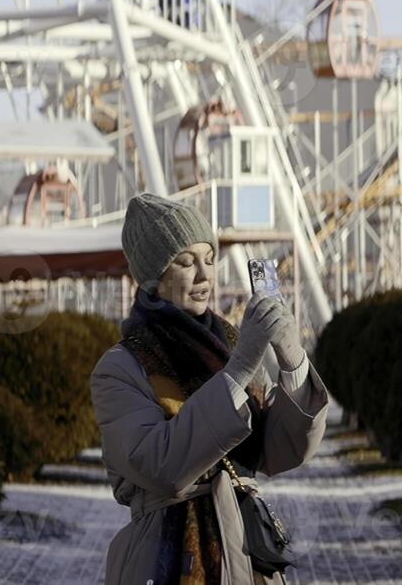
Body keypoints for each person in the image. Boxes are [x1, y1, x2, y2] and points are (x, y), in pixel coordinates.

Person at [91, 193, 329, 584]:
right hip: (165, 561)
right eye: (186, 262)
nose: (204, 275)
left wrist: (292, 360)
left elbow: (281, 452)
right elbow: (163, 466)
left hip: (247, 556)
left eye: (210, 259)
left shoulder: (231, 342)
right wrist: (238, 370)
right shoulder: (121, 367)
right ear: (153, 277)